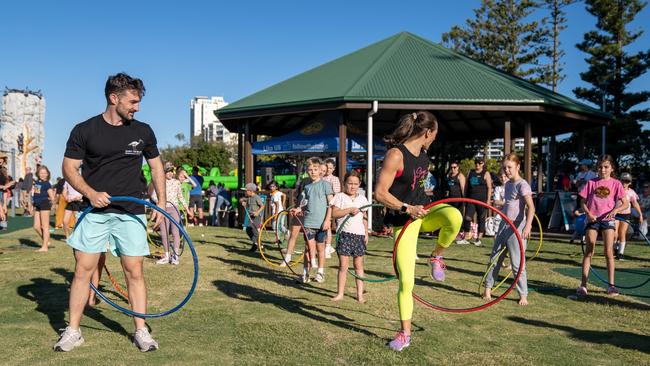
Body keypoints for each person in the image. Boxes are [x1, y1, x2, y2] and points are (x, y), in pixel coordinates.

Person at [55, 73, 166, 352]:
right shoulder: (85, 129)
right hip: (94, 211)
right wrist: (91, 193)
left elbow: (156, 167)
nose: (137, 107)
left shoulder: (143, 131)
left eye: (138, 102)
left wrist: (161, 204)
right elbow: (68, 168)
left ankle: (141, 331)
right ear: (113, 98)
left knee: (134, 270)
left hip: (130, 210)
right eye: (132, 101)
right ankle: (73, 331)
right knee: (83, 269)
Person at [375, 111, 462, 351]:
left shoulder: (423, 155)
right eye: (434, 135)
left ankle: (436, 256)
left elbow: (419, 187)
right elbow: (380, 193)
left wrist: (420, 204)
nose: (434, 139)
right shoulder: (395, 155)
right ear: (427, 133)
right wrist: (407, 208)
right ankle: (405, 334)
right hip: (404, 222)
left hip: (426, 211)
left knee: (454, 216)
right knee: (407, 281)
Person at [482, 154, 534, 305]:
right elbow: (508, 205)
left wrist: (528, 226)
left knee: (517, 263)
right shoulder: (508, 184)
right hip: (504, 224)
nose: (506, 170)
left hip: (517, 227)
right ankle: (487, 289)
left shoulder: (522, 184)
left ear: (518, 167)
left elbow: (531, 207)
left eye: (509, 167)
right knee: (495, 259)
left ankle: (523, 295)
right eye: (504, 167)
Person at [575, 155, 628, 298]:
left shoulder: (616, 184)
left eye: (606, 167)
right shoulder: (591, 182)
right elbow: (583, 202)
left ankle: (611, 286)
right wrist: (588, 213)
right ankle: (583, 285)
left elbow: (625, 203)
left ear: (611, 168)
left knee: (608, 252)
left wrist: (615, 211)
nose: (603, 170)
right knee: (589, 250)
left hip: (608, 220)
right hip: (592, 220)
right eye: (600, 167)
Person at [289, 157, 334, 283]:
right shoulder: (307, 187)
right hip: (308, 222)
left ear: (321, 171)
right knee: (308, 248)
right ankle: (305, 274)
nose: (313, 172)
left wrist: (327, 220)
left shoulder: (326, 185)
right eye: (310, 170)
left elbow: (331, 204)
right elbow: (305, 202)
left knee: (320, 248)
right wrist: (299, 208)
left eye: (315, 169)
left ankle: (320, 272)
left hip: (321, 223)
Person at [330, 170, 369, 303]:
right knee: (343, 265)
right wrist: (349, 210)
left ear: (359, 184)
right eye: (350, 183)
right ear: (344, 184)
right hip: (345, 234)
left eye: (355, 184)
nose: (352, 186)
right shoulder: (340, 196)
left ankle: (360, 295)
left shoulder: (363, 198)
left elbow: (364, 217)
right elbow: (334, 214)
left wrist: (366, 232)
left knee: (358, 265)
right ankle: (340, 293)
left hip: (358, 235)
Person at [153, 163, 187, 265]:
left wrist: (187, 209)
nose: (171, 173)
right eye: (168, 171)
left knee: (175, 232)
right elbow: (154, 195)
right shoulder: (160, 182)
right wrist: (159, 201)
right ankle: (167, 256)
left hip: (174, 209)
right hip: (163, 209)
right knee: (164, 232)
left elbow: (180, 196)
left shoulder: (177, 182)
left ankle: (175, 256)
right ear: (164, 172)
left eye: (172, 171)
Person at [457, 157, 492, 246]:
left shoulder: (486, 173)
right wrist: (464, 197)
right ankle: (465, 237)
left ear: (483, 164)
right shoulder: (471, 172)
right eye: (476, 163)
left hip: (482, 200)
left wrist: (488, 200)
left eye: (479, 163)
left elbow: (489, 187)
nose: (477, 165)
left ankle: (478, 239)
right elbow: (466, 186)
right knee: (467, 218)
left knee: (481, 218)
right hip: (471, 199)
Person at [614, 173, 643, 260]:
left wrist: (640, 214)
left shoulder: (631, 192)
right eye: (623, 180)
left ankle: (621, 253)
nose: (624, 183)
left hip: (625, 214)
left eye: (627, 181)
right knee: (614, 234)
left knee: (622, 233)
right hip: (615, 213)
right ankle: (615, 248)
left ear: (630, 182)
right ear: (620, 180)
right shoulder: (615, 189)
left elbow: (635, 203)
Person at [33, 165, 55, 252]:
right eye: (41, 173)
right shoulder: (37, 183)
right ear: (38, 174)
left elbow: (52, 197)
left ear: (47, 174)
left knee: (45, 226)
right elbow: (36, 194)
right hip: (37, 205)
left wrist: (51, 204)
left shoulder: (47, 184)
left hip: (44, 205)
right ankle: (46, 240)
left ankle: (45, 247)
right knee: (36, 226)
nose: (43, 174)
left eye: (44, 173)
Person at [322, 158, 341, 259]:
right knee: (322, 227)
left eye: (330, 168)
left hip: (329, 205)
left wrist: (332, 204)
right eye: (327, 168)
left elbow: (337, 194)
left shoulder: (334, 179)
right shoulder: (321, 178)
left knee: (327, 226)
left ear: (333, 169)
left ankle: (328, 247)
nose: (328, 170)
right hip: (320, 205)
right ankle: (326, 247)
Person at [240, 182, 265, 252]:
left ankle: (261, 246)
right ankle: (255, 243)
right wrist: (243, 203)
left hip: (257, 217)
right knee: (248, 230)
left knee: (254, 230)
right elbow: (247, 204)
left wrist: (257, 212)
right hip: (251, 217)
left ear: (251, 191)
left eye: (246, 191)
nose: (245, 192)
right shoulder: (249, 198)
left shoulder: (256, 197)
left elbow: (262, 206)